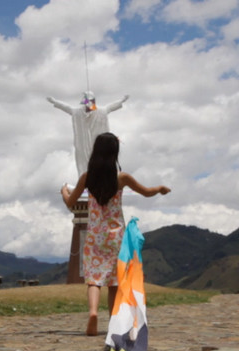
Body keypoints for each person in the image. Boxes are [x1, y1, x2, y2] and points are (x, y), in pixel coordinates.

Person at [60, 132, 170, 336]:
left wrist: (64, 191)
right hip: (116, 235)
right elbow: (146, 192)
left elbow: (70, 202)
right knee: (113, 281)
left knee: (94, 279)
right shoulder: (122, 178)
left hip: (94, 234)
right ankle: (112, 322)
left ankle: (93, 312)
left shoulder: (86, 177)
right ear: (114, 153)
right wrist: (160, 188)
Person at [47, 91, 128, 176]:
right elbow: (67, 108)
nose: (89, 105)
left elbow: (111, 107)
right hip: (84, 147)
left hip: (98, 145)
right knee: (85, 164)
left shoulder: (101, 112)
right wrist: (54, 101)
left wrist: (122, 100)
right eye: (87, 102)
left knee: (101, 162)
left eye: (91, 102)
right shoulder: (78, 113)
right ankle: (87, 181)